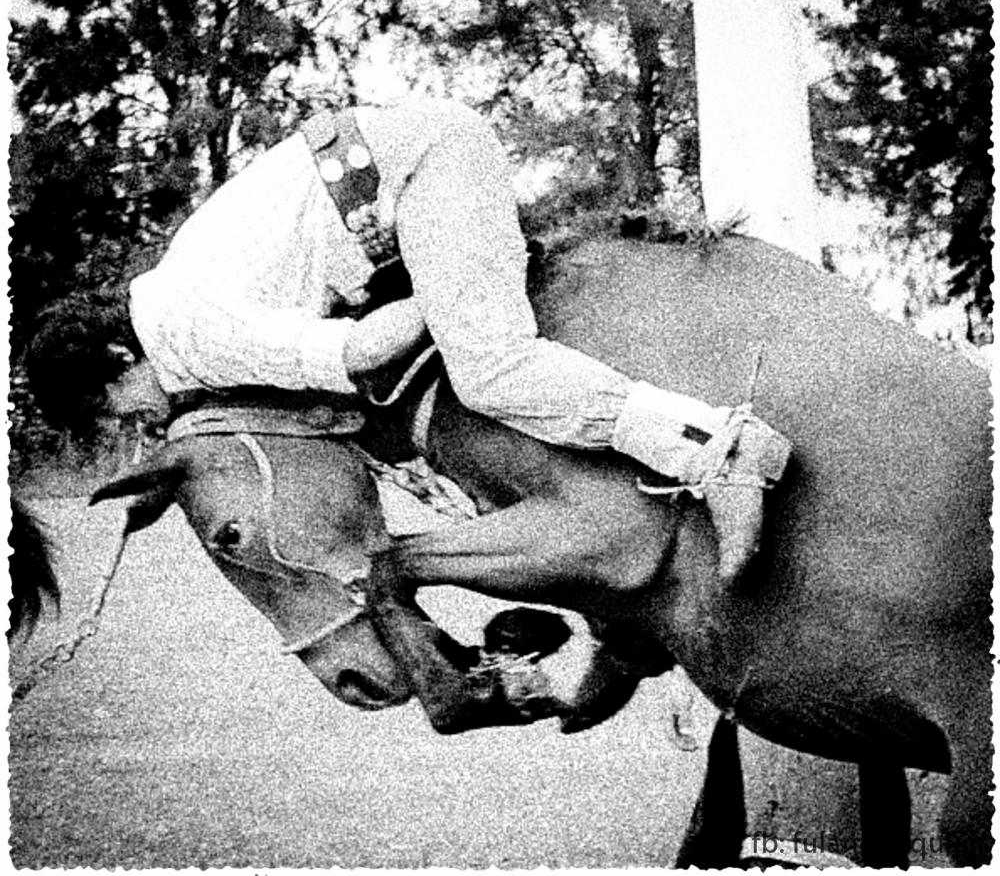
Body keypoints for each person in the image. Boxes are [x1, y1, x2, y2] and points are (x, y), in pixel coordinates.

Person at [27, 98, 791, 729]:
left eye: (117, 410)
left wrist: (455, 290)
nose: (137, 422)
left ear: (109, 363)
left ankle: (719, 452)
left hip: (420, 169)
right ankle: (617, 630)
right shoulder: (173, 312)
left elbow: (362, 349)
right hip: (398, 174)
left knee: (490, 368)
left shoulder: (184, 333)